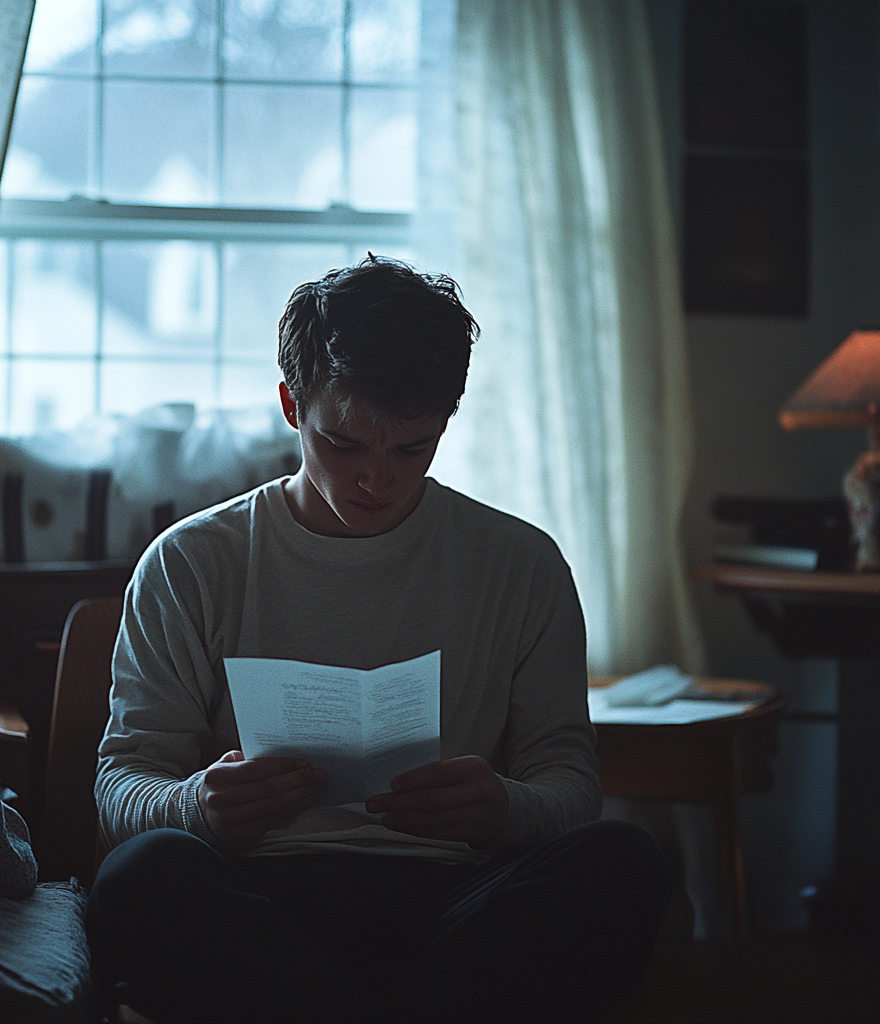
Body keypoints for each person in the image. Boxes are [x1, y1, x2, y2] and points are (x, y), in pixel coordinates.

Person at [86, 256, 671, 1024]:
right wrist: (197, 808)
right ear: (292, 405)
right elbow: (122, 782)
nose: (377, 480)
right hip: (260, 893)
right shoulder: (193, 561)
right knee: (142, 876)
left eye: (411, 449)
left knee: (625, 866)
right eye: (345, 444)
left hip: (455, 901)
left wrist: (504, 810)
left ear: (445, 421)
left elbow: (569, 783)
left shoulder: (520, 565)